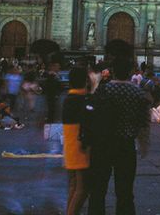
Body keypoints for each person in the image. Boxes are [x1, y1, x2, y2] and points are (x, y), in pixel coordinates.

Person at [81, 57, 150, 215]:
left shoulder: (103, 89)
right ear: (131, 71)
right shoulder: (137, 92)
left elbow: (91, 115)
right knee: (125, 192)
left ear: (112, 71)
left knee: (98, 190)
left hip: (102, 145)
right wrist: (143, 145)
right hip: (125, 146)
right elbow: (144, 122)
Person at [63, 67, 90, 215]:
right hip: (80, 149)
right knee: (82, 189)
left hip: (70, 148)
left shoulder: (69, 98)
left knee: (74, 186)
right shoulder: (81, 100)